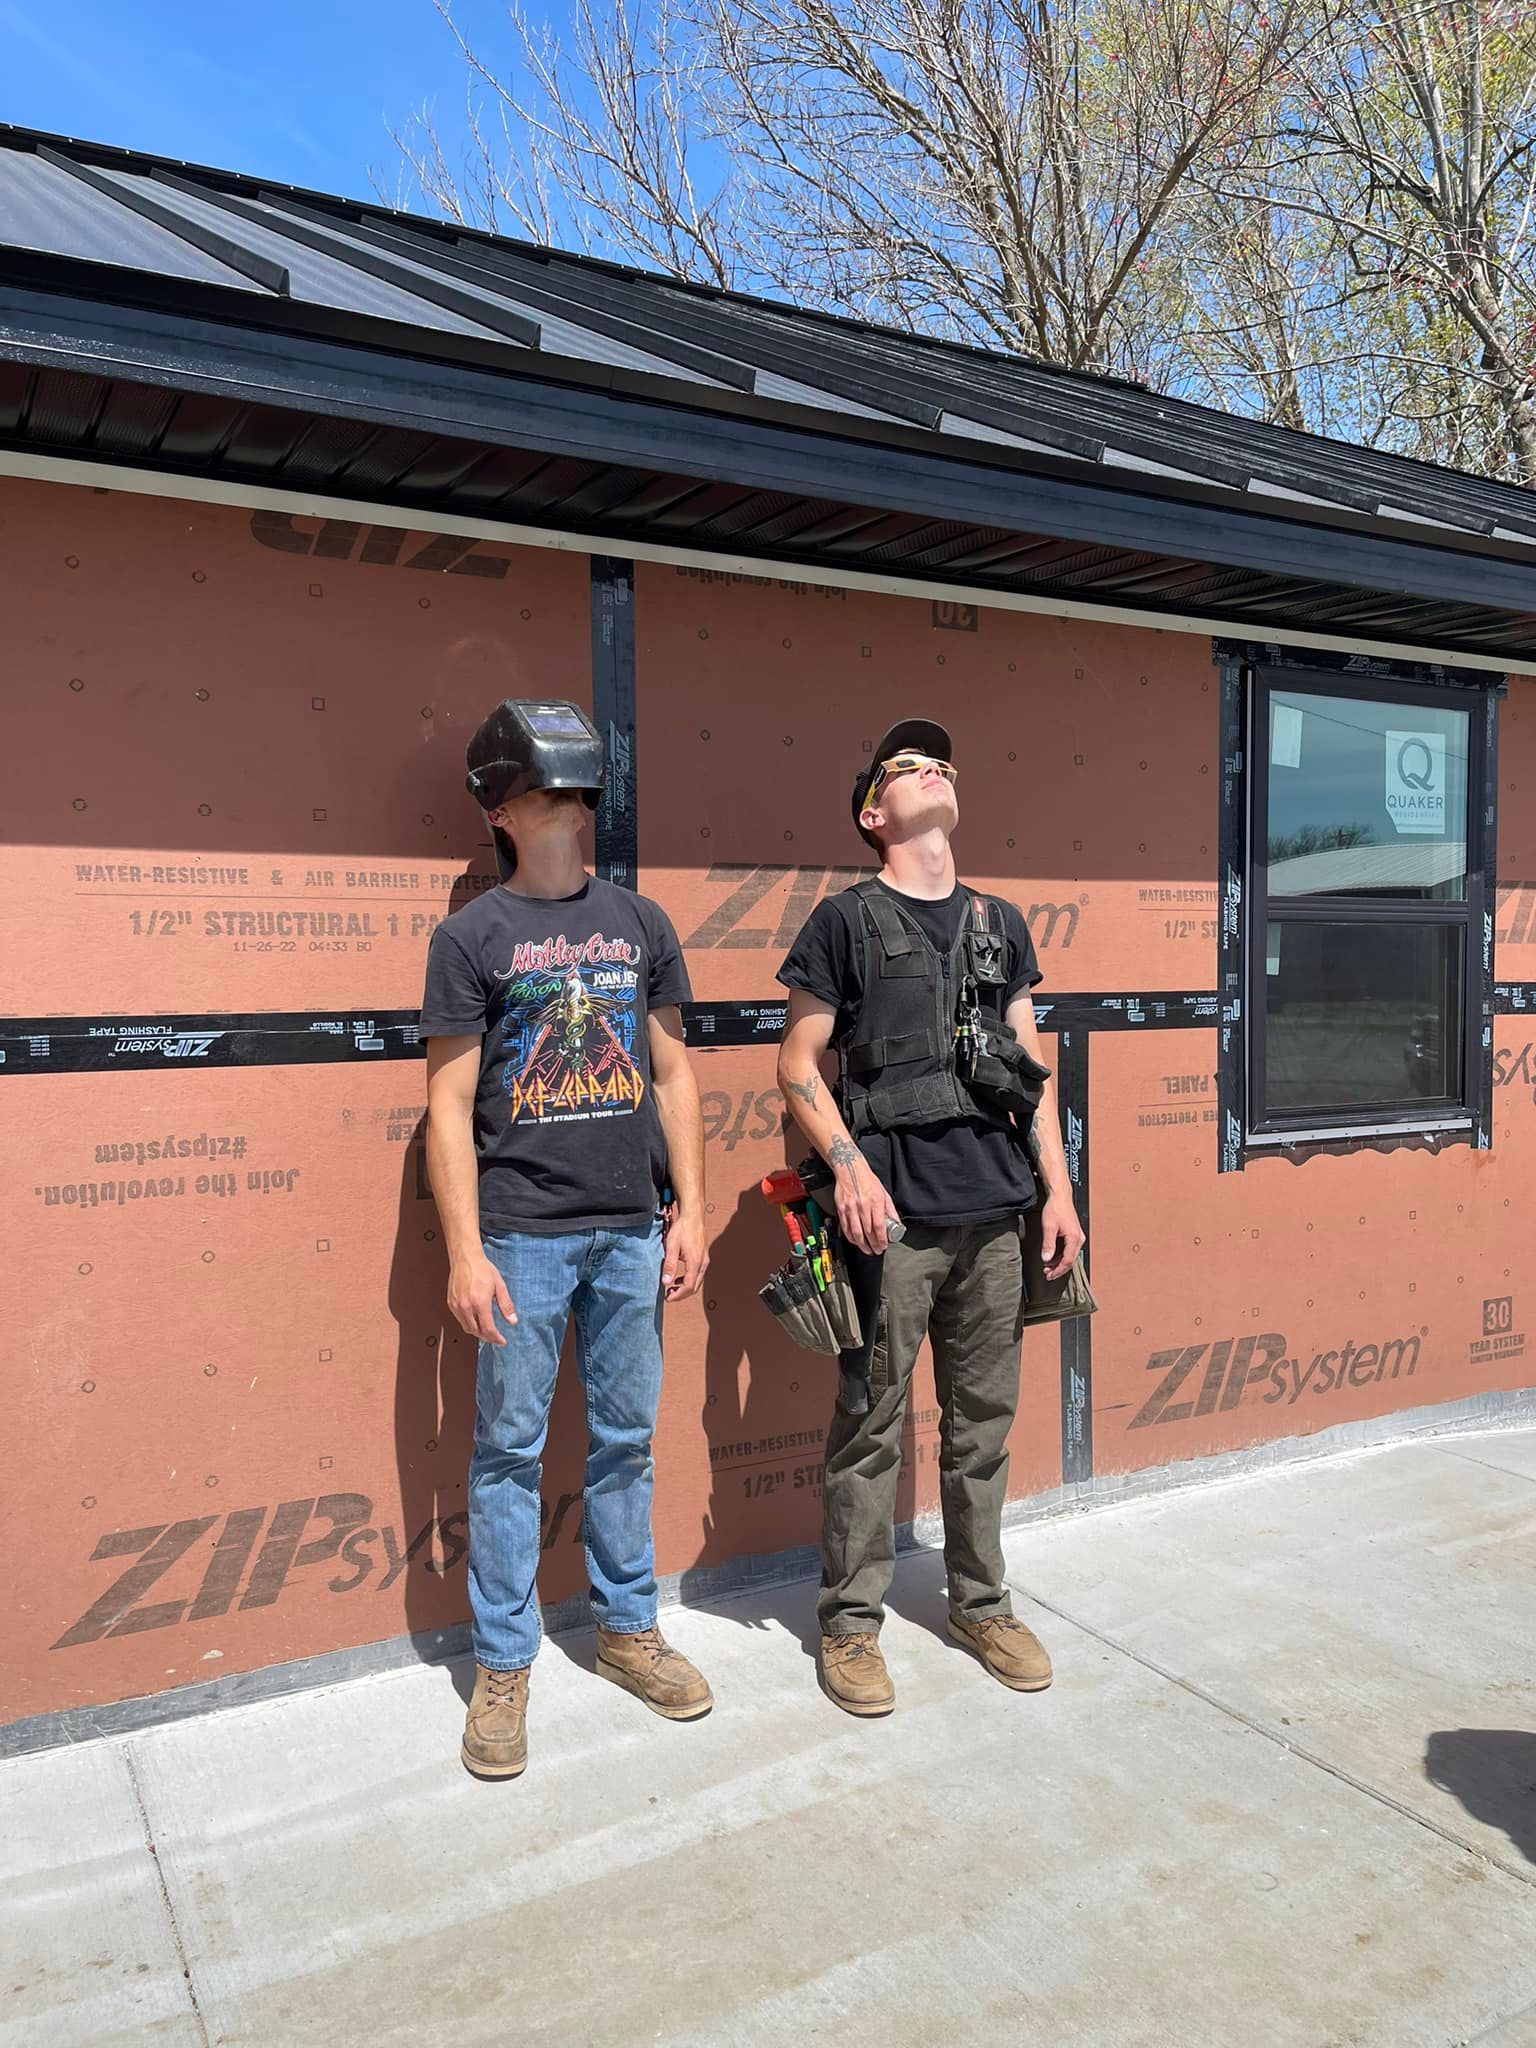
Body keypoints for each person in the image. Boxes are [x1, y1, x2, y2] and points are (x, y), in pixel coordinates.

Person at [420, 697, 711, 1779]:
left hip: (632, 1230)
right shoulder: (470, 938)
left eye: (577, 785)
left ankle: (629, 1628)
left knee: (628, 1437)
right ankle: (504, 1663)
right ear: (499, 806)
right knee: (506, 1452)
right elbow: (448, 1107)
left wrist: (696, 1205)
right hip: (523, 1238)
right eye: (542, 783)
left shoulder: (641, 922)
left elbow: (675, 1073)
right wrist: (465, 1249)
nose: (565, 799)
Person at [776, 715, 1085, 1716]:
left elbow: (1031, 1069)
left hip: (997, 1210)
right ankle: (851, 1627)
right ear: (874, 810)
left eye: (943, 760)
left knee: (982, 1426)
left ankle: (981, 1604)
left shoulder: (1001, 921)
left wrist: (1062, 1190)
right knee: (868, 1427)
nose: (933, 769)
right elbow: (795, 1064)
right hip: (890, 1221)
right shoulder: (842, 922)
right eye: (909, 765)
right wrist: (853, 1169)